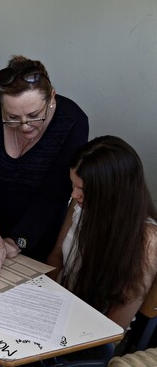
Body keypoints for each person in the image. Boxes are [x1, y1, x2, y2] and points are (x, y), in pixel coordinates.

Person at [0, 55, 88, 279]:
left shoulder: (72, 120)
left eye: (34, 116)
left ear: (51, 98)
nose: (24, 126)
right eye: (11, 117)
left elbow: (54, 195)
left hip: (37, 229)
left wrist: (16, 241)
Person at [46, 136, 157, 330]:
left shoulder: (147, 239)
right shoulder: (80, 205)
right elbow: (56, 255)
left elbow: (115, 325)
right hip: (56, 307)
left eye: (82, 189)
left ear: (112, 191)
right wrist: (38, 295)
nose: (74, 194)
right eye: (73, 185)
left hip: (89, 330)